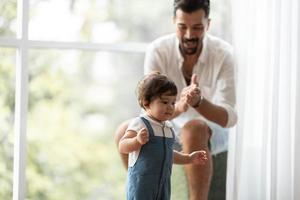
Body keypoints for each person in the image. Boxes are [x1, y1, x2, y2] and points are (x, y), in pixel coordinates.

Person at [115, 0, 237, 199]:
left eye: (197, 27)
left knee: (194, 128)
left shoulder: (223, 54)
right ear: (174, 21)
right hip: (168, 124)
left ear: (208, 24)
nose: (189, 35)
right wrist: (180, 105)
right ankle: (139, 188)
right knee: (123, 131)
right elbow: (149, 105)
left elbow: (228, 118)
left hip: (211, 130)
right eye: (182, 27)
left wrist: (199, 102)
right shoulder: (158, 50)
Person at [119, 73, 207, 200]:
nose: (170, 107)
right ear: (146, 103)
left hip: (163, 184)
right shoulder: (140, 123)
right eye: (165, 102)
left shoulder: (168, 128)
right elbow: (122, 146)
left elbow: (168, 154)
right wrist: (136, 141)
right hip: (142, 185)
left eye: (173, 102)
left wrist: (189, 158)